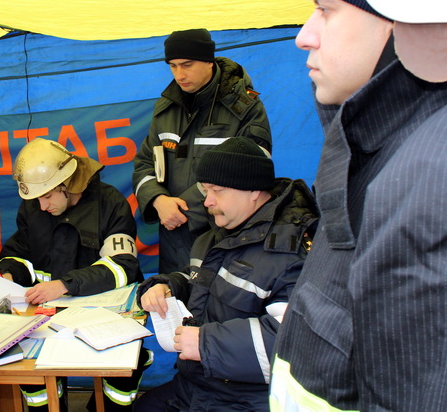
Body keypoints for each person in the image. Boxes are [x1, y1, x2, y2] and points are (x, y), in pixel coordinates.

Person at [243, 0, 447, 410]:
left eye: (324, 11)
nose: (304, 36)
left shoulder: (441, 170)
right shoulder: (385, 146)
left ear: (405, 18)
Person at [134, 137, 317, 412]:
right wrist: (167, 285)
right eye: (205, 190)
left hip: (251, 398)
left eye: (217, 190)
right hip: (198, 386)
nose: (207, 201)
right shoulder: (218, 233)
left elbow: (299, 344)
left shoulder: (292, 252)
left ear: (253, 190)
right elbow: (199, 279)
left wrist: (206, 344)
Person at [0, 137, 151, 411]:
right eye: (36, 198)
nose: (42, 207)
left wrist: (65, 285)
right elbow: (18, 251)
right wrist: (10, 275)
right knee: (34, 381)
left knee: (119, 381)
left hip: (108, 317)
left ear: (66, 184)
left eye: (47, 196)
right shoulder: (34, 205)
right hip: (47, 318)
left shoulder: (110, 203)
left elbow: (123, 266)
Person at [132, 28, 273, 274]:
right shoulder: (166, 109)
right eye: (173, 66)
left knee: (218, 306)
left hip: (224, 236)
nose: (179, 74)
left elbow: (253, 167)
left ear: (209, 61)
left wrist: (182, 208)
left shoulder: (245, 107)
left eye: (187, 64)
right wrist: (158, 200)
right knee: (174, 303)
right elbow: (145, 162)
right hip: (173, 237)